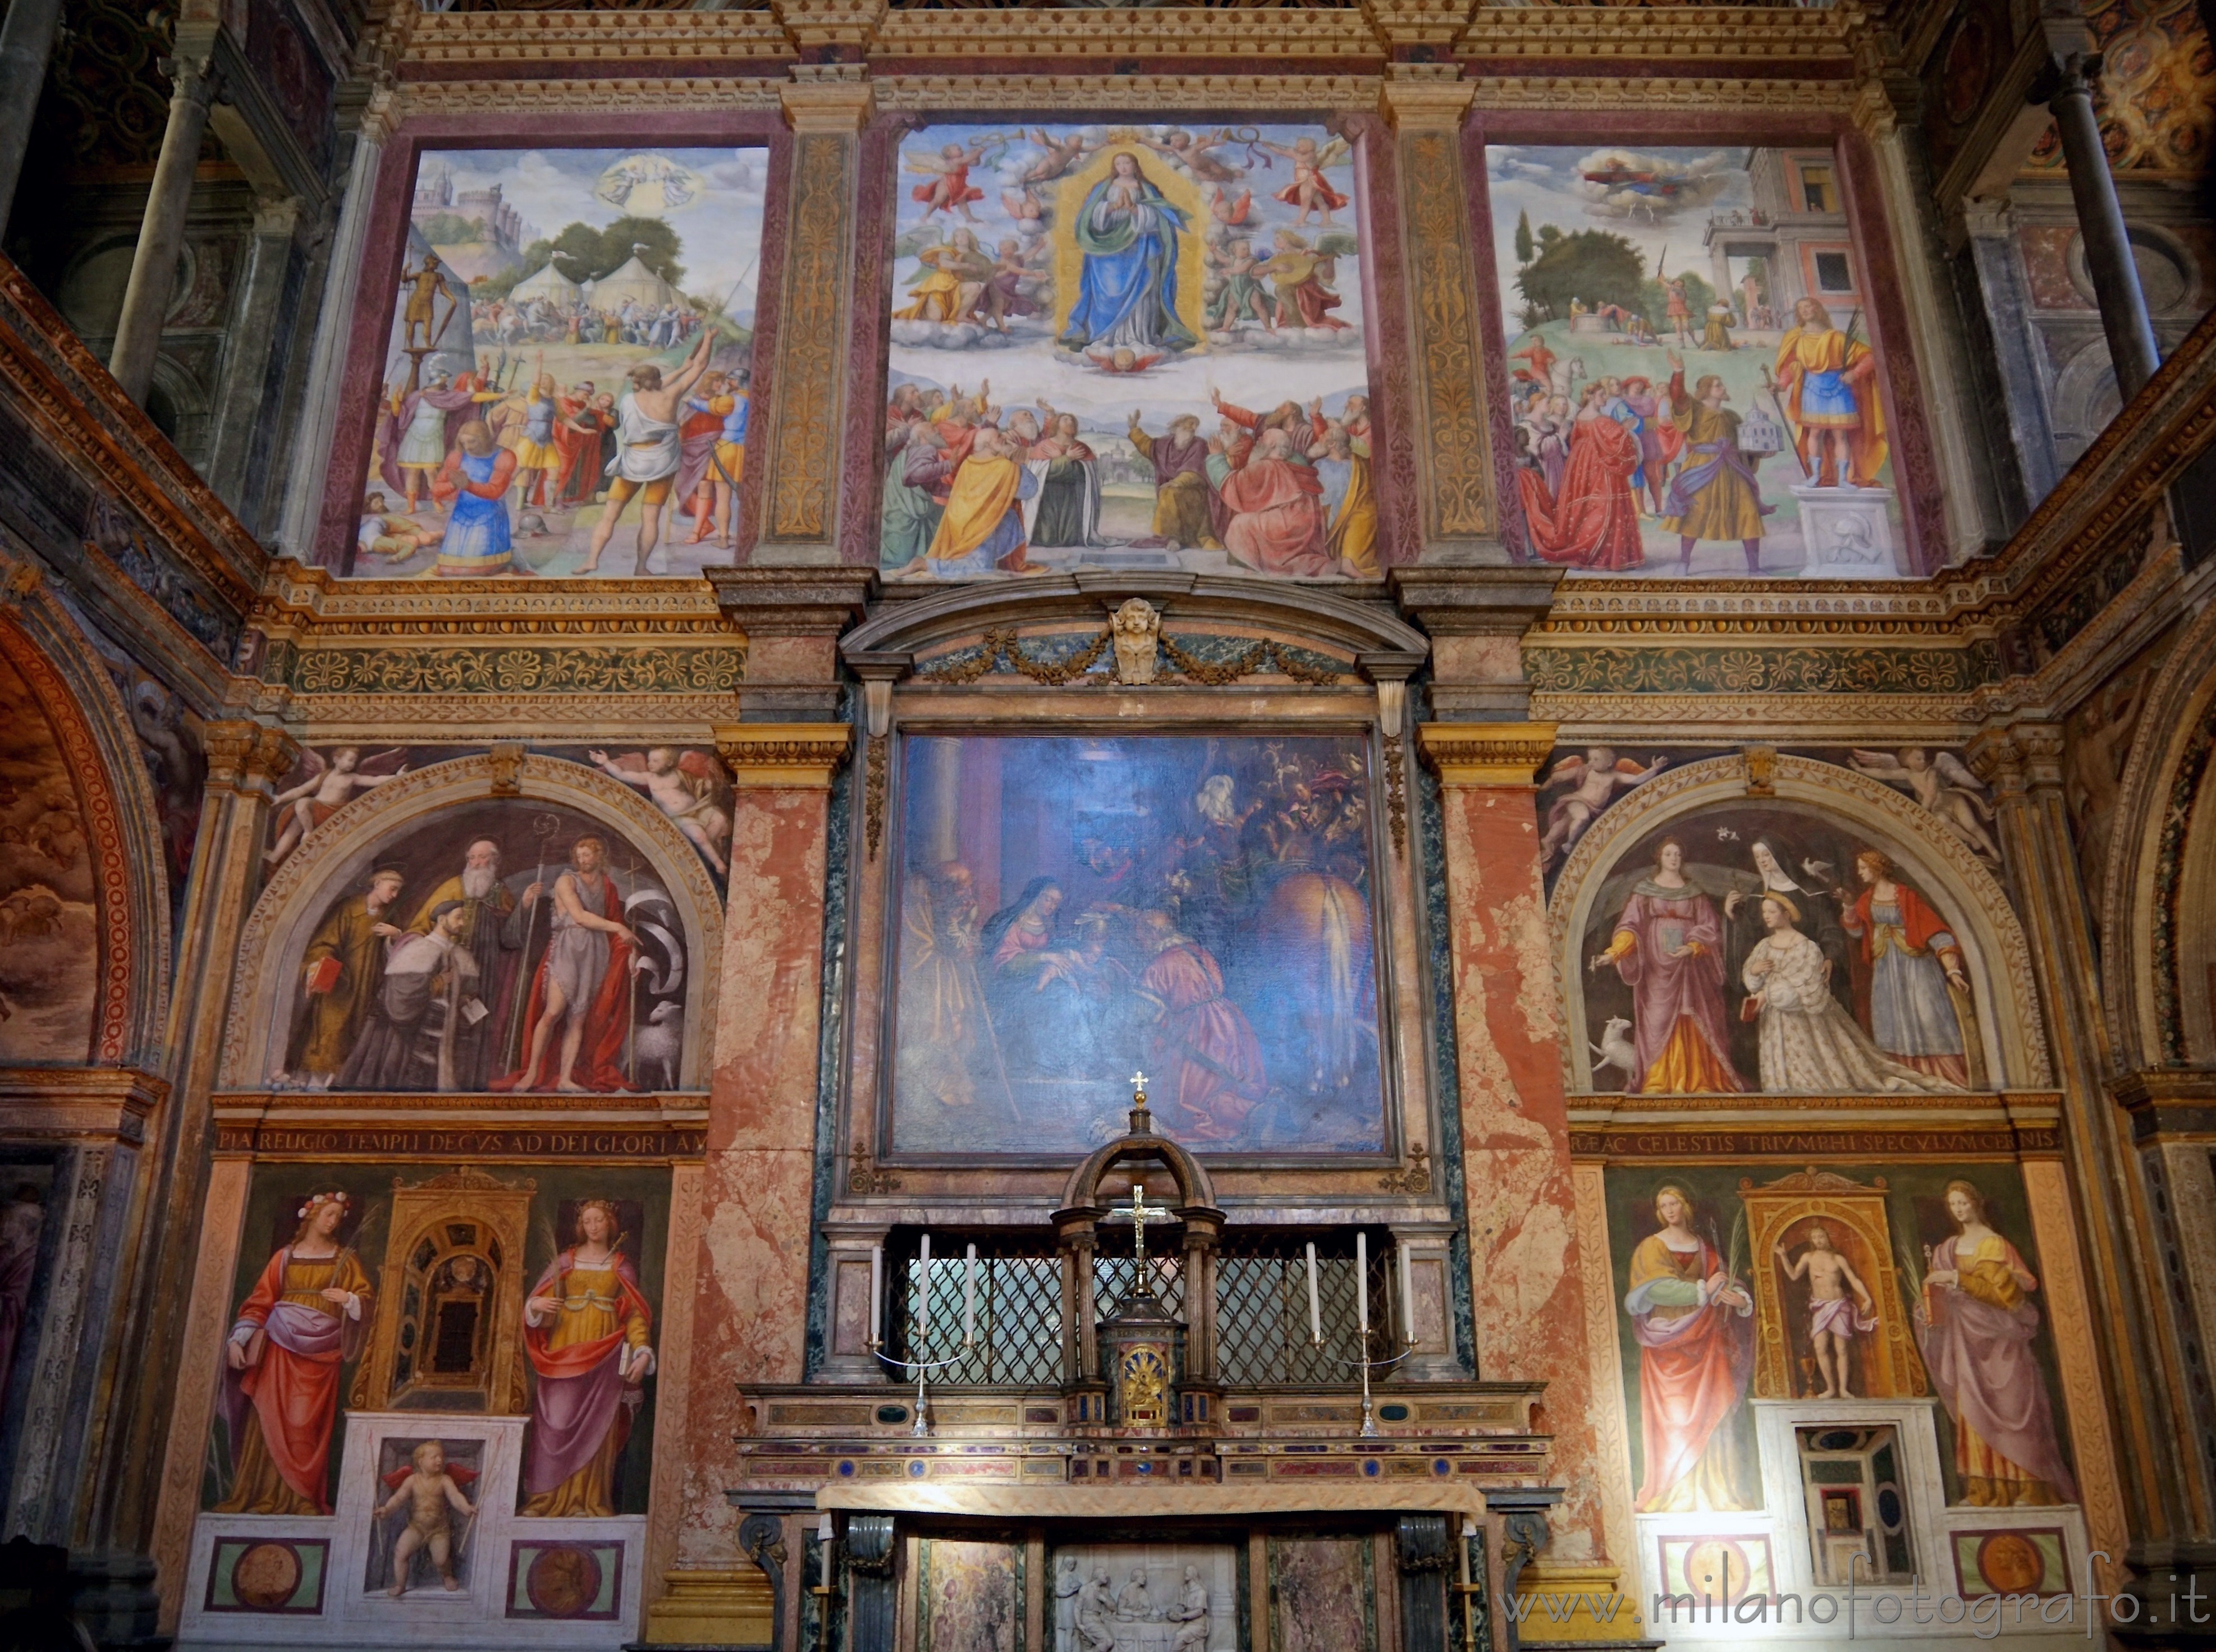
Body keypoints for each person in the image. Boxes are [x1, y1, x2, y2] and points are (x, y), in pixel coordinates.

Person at [1915, 1180, 2076, 1506]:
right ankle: (1985, 1489)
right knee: (1973, 1410)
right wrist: (1928, 1306)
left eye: (1964, 1203)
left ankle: (2030, 1488)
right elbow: (1940, 1296)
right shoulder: (1948, 1248)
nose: (1960, 1210)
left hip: (2001, 1340)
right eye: (1954, 1205)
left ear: (1976, 1203)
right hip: (1965, 1344)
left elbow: (2005, 1296)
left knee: (2014, 1408)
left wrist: (1957, 1279)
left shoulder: (1994, 1245)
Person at [216, 1190, 373, 1514]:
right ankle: (262, 1497)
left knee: (305, 1424)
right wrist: (237, 1339)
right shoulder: (284, 1258)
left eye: (338, 1218)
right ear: (311, 1215)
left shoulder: (345, 1259)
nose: (333, 1222)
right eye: (328, 1215)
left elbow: (367, 1302)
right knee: (269, 1419)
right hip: (279, 1348)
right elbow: (261, 1300)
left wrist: (348, 1299)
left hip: (321, 1354)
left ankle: (302, 1499)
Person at [1741, 893, 1955, 1093]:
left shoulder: (1806, 947)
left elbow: (1806, 985)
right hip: (1774, 1019)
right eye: (1764, 913)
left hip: (1801, 1020)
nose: (1766, 917)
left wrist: (1768, 994)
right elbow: (1751, 981)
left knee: (1811, 1075)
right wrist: (1754, 971)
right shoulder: (1764, 946)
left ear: (1787, 914)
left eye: (1771, 912)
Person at [520, 1199, 654, 1516]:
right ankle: (545, 1501)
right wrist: (535, 1307)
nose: (594, 1227)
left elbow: (634, 1314)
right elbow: (542, 1298)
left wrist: (643, 1351)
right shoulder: (566, 1261)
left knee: (597, 1426)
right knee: (556, 1421)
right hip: (565, 1345)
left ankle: (588, 1500)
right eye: (588, 1221)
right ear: (581, 1226)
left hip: (606, 1352)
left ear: (610, 1224)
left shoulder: (621, 1266)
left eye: (600, 1220)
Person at [1624, 1183, 1753, 1511]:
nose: (1669, 1210)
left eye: (1674, 1204)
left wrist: (1739, 1298)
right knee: (1674, 1418)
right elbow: (1656, 1291)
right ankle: (1672, 1494)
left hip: (1706, 1340)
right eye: (1663, 1205)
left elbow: (1724, 1278)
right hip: (1667, 1340)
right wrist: (1702, 1290)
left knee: (1713, 1408)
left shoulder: (1704, 1247)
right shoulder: (1650, 1248)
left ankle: (1716, 1491)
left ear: (1685, 1207)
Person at [1590, 838, 1742, 1093]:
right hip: (1656, 968)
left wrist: (1692, 946)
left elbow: (1709, 926)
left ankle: (1699, 1080)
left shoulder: (1693, 892)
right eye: (1669, 854)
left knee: (1692, 1015)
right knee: (1659, 1020)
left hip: (1690, 966)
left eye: (1678, 854)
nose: (1674, 858)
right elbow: (1630, 927)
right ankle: (1660, 1080)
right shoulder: (1644, 892)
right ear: (1659, 858)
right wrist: (1615, 953)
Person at [494, 837, 643, 1094]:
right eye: (580, 855)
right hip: (568, 949)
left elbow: (616, 924)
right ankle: (531, 1073)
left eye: (588, 855)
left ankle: (565, 1078)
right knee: (553, 1012)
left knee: (578, 1019)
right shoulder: (566, 881)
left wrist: (631, 953)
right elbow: (580, 916)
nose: (583, 860)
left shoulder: (608, 886)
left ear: (599, 857)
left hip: (595, 953)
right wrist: (618, 927)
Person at [400, 838, 542, 1090]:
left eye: (482, 857)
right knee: (444, 1025)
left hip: (487, 970)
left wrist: (525, 905)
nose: (476, 863)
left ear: (495, 861)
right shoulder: (451, 888)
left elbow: (509, 939)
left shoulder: (501, 892)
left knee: (477, 1024)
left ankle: (472, 1081)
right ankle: (438, 1082)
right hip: (449, 969)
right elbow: (420, 927)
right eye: (472, 858)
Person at [581, 327, 716, 576]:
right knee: (651, 518)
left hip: (633, 460)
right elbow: (700, 366)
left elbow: (652, 385)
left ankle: (592, 561)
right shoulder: (670, 396)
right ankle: (641, 566)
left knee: (610, 515)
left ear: (637, 383)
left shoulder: (627, 400)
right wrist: (707, 340)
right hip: (662, 461)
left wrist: (682, 368)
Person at [1839, 850, 1972, 1086]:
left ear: (1876, 868)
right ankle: (1904, 1078)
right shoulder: (1866, 899)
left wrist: (1953, 970)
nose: (1859, 873)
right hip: (1885, 970)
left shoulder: (1906, 896)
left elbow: (1936, 932)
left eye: (1863, 868)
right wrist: (1849, 906)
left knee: (1929, 1017)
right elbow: (1857, 932)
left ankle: (1947, 1079)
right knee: (1890, 1021)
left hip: (1916, 966)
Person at [1133, 908, 1266, 1142]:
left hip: (1196, 1029)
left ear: (1153, 933)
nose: (1139, 942)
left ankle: (1229, 1114)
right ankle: (1245, 1112)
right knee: (1225, 1080)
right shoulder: (1200, 953)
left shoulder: (1163, 962)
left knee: (1191, 1099)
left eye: (1140, 936)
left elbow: (1145, 1013)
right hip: (1228, 1021)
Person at [336, 901, 484, 1092]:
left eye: (464, 918)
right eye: (458, 917)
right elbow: (401, 994)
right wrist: (438, 984)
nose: (462, 923)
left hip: (447, 1036)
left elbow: (469, 992)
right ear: (441, 919)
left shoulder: (461, 954)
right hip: (413, 1037)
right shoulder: (418, 949)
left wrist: (464, 998)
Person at [1060, 153, 1196, 356]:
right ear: (1114, 166)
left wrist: (1135, 210)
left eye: (1127, 163)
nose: (1123, 167)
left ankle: (1139, 337)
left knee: (1141, 292)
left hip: (1140, 248)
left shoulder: (1146, 189)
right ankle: (1104, 338)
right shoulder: (1103, 188)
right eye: (1119, 164)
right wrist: (1111, 208)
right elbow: (1087, 216)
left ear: (1135, 165)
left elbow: (1161, 217)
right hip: (1106, 253)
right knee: (1106, 295)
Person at [289, 868, 408, 1087]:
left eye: (398, 891)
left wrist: (396, 937)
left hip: (367, 990)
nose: (394, 895)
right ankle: (312, 1088)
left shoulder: (390, 918)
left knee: (354, 1040)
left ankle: (333, 1088)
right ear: (378, 883)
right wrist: (319, 967)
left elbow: (399, 957)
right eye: (392, 889)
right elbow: (324, 944)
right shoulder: (348, 909)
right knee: (328, 1038)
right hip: (340, 986)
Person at [1657, 353, 1770, 574]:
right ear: (1707, 389)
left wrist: (1758, 453)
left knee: (1748, 511)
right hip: (1702, 467)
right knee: (1694, 513)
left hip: (1732, 468)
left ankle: (1755, 568)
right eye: (1718, 385)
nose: (1723, 388)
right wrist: (1679, 372)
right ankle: (1684, 563)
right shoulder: (1695, 410)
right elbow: (1678, 397)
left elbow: (1745, 445)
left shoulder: (1732, 416)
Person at [1518, 379, 1645, 571]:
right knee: (1603, 507)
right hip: (1601, 466)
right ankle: (1599, 552)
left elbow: (1576, 439)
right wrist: (1624, 429)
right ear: (1592, 397)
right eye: (1602, 395)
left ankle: (1592, 549)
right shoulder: (1602, 420)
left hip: (1581, 464)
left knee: (1586, 507)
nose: (1605, 398)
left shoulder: (1580, 417)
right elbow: (1616, 441)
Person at [1770, 296, 1885, 488]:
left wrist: (1854, 374)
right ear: (1798, 314)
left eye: (1809, 306)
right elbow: (1789, 367)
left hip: (1839, 388)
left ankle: (1843, 479)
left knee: (1841, 435)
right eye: (1801, 308)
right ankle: (1816, 476)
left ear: (1818, 309)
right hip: (1812, 389)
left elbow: (1869, 357)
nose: (1806, 310)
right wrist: (1782, 385)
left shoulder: (1837, 337)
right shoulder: (1796, 338)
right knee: (1815, 432)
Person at [913, 426, 1042, 577]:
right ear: (988, 445)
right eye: (998, 437)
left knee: (1008, 519)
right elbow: (1029, 491)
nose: (1004, 439)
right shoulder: (1004, 466)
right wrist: (1020, 465)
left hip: (962, 522)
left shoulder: (969, 463)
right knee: (982, 569)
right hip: (981, 524)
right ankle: (925, 565)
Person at [1774, 1224, 1876, 1399]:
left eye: (1821, 1236)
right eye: (1814, 1237)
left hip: (1839, 1304)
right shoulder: (1808, 1257)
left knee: (1841, 1348)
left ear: (1827, 1238)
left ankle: (1843, 1389)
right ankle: (1830, 1389)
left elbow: (1854, 1279)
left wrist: (1867, 1298)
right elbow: (1793, 1275)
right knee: (1820, 1347)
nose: (1818, 1240)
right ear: (1811, 1240)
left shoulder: (1838, 1259)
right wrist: (1784, 1256)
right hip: (1821, 1306)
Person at [1211, 426, 1330, 577]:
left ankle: (1259, 567)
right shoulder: (1297, 461)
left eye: (1263, 439)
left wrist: (1216, 458)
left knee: (1240, 524)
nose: (1258, 441)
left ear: (1272, 445)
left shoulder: (1266, 466)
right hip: (1308, 524)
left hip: (1287, 524)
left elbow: (1235, 486)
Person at [1538, 747, 1668, 868]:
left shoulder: (1614, 775)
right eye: (1590, 759)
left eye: (1596, 759)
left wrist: (1654, 769)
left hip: (1594, 809)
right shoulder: (1585, 770)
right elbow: (1559, 777)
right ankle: (1570, 844)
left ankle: (1549, 839)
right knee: (1582, 817)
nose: (1591, 762)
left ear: (1609, 763)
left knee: (1567, 821)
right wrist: (1543, 787)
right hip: (1577, 800)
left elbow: (1637, 780)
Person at [376, 1439, 475, 1595]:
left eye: (441, 1457)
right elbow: (398, 1499)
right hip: (416, 1528)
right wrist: (386, 1509)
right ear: (421, 1461)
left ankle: (447, 1575)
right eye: (434, 1457)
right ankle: (400, 1585)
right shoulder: (412, 1480)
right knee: (401, 1553)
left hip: (439, 1530)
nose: (440, 1460)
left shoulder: (445, 1480)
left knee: (441, 1560)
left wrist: (466, 1508)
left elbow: (455, 1496)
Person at [429, 419, 521, 577]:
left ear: (484, 439)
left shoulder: (504, 456)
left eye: (472, 442)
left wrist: (468, 485)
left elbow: (496, 492)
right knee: (449, 569)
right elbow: (436, 490)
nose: (468, 447)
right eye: (463, 442)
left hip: (488, 517)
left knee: (479, 569)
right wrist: (453, 485)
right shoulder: (456, 457)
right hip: (461, 516)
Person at [1128, 412, 1220, 549]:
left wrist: (1179, 482)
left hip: (1194, 494)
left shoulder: (1199, 445)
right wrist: (1134, 428)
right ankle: (1171, 538)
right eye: (1190, 423)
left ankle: (1171, 538)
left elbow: (1195, 470)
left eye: (1196, 425)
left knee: (1169, 491)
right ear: (1178, 426)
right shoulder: (1164, 444)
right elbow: (1147, 445)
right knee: (1169, 492)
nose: (1194, 427)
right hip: (1172, 490)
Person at [1313, 425, 1378, 577]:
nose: (1319, 436)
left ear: (1332, 444)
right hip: (1328, 514)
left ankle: (1349, 562)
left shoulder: (1358, 464)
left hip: (1355, 509)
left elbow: (1366, 492)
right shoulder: (1319, 465)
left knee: (1366, 515)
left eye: (1324, 434)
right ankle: (1342, 561)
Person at [1028, 411, 1100, 548]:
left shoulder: (1082, 448)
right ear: (1056, 425)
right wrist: (1067, 459)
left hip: (1072, 496)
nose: (1070, 422)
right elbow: (1043, 474)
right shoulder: (1044, 446)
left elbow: (1083, 475)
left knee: (1070, 538)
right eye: (1065, 420)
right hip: (1047, 497)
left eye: (1072, 420)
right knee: (1047, 538)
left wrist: (1061, 460)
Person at [1252, 229, 1348, 331]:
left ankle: (1298, 328)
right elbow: (1254, 272)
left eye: (1278, 239)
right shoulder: (1278, 258)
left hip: (1308, 297)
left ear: (1288, 239)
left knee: (1281, 289)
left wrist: (1330, 262)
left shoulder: (1307, 255)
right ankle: (1295, 328)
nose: (1275, 242)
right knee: (1282, 289)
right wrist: (1274, 267)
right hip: (1287, 299)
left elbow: (1327, 279)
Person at [399, 253, 455, 351]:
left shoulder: (439, 276)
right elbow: (404, 280)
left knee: (428, 322)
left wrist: (452, 298)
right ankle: (411, 346)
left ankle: (428, 344)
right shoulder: (419, 275)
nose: (437, 265)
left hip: (428, 303)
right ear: (429, 264)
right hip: (416, 301)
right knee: (412, 322)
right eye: (435, 263)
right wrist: (405, 270)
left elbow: (443, 290)